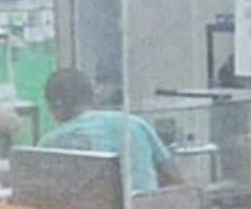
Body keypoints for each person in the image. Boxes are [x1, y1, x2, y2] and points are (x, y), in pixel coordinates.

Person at [38, 68, 183, 193]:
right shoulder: (134, 123)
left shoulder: (49, 144)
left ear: (56, 105)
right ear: (93, 97)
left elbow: (43, 196)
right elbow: (174, 178)